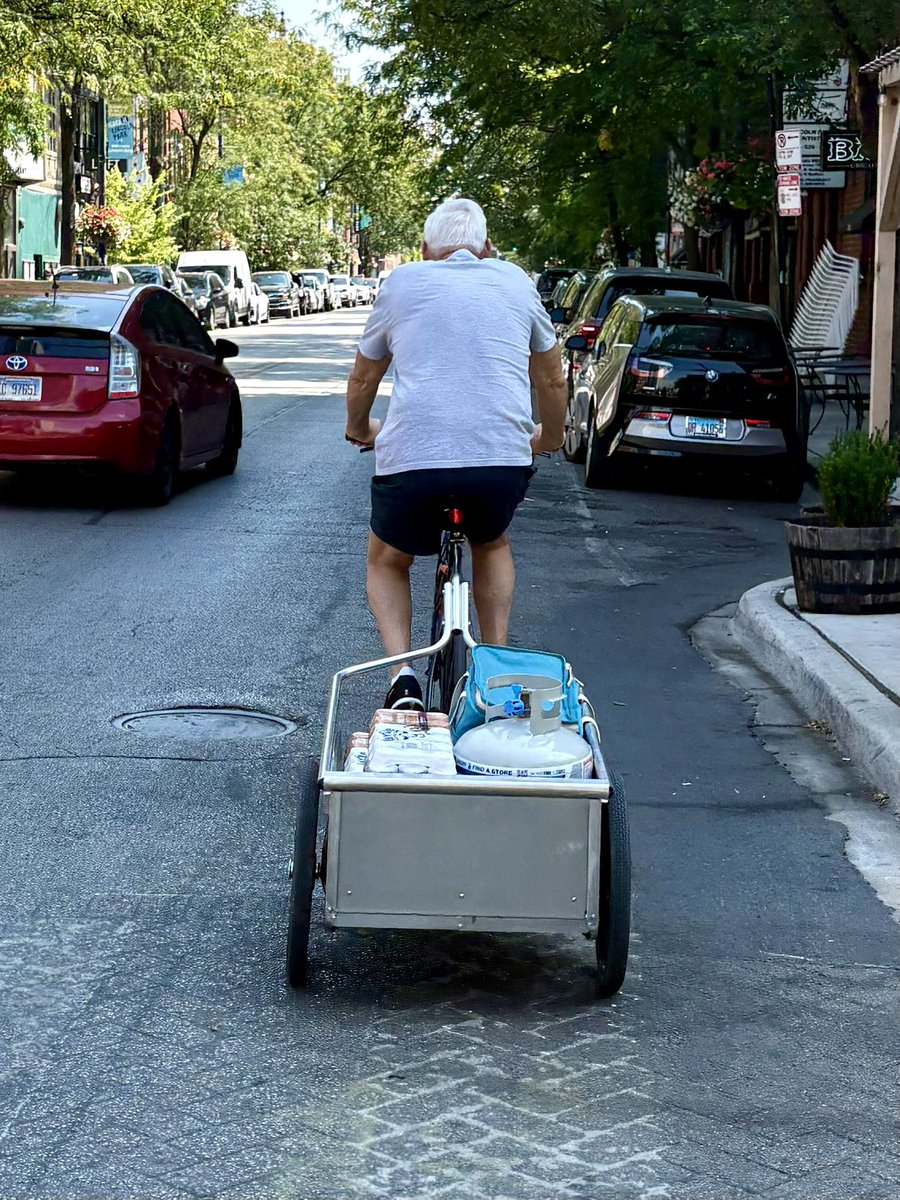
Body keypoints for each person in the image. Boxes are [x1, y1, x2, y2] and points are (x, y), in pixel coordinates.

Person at [344, 197, 567, 711]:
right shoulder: (515, 281)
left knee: (388, 559)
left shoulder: (401, 283)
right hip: (499, 463)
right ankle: (493, 665)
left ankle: (403, 675)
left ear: (424, 250)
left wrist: (360, 429)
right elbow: (551, 378)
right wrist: (549, 438)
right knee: (492, 542)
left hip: (414, 462)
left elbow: (363, 377)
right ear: (488, 248)